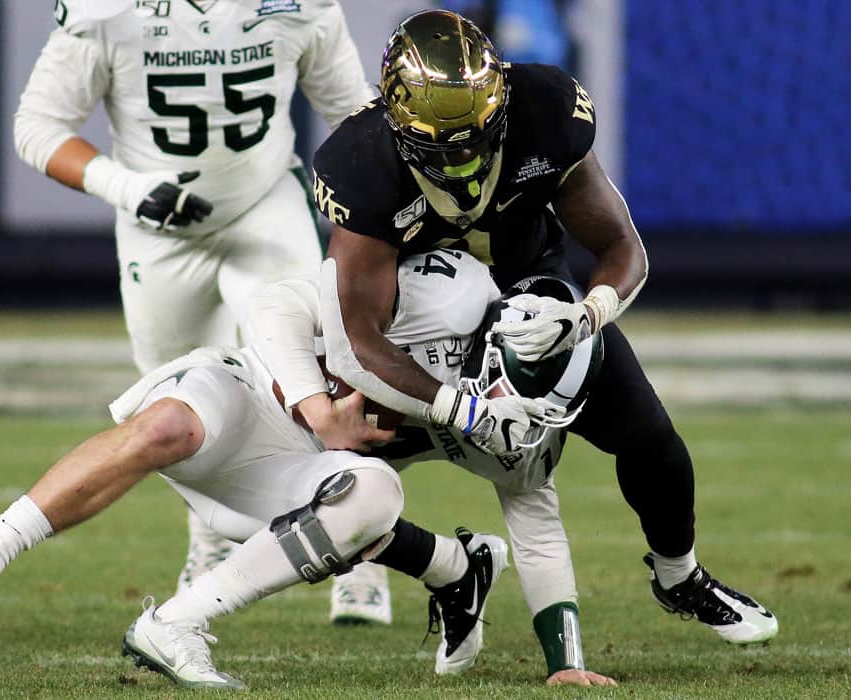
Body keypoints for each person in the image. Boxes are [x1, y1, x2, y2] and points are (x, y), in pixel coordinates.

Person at [0, 250, 616, 688]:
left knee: (373, 490)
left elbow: (540, 527)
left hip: (296, 480)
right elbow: (275, 304)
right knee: (165, 425)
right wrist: (316, 405)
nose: (515, 419)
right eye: (517, 398)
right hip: (257, 396)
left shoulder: (522, 436)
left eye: (540, 414)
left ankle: (175, 626)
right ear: (499, 347)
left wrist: (565, 660)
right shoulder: (446, 295)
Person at [309, 9, 778, 645]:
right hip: (422, 330)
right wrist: (458, 408)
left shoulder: (543, 108)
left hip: (532, 300)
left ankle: (680, 575)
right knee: (330, 463)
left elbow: (622, 246)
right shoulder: (361, 164)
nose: (470, 151)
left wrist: (586, 315)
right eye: (449, 142)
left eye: (482, 130)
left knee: (651, 438)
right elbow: (359, 337)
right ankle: (445, 571)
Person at [12, 0, 388, 623]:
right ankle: (208, 538)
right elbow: (38, 126)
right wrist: (126, 186)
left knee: (325, 376)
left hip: (264, 203)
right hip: (154, 226)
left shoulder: (295, 7)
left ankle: (368, 553)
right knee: (176, 407)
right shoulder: (107, 11)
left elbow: (356, 117)